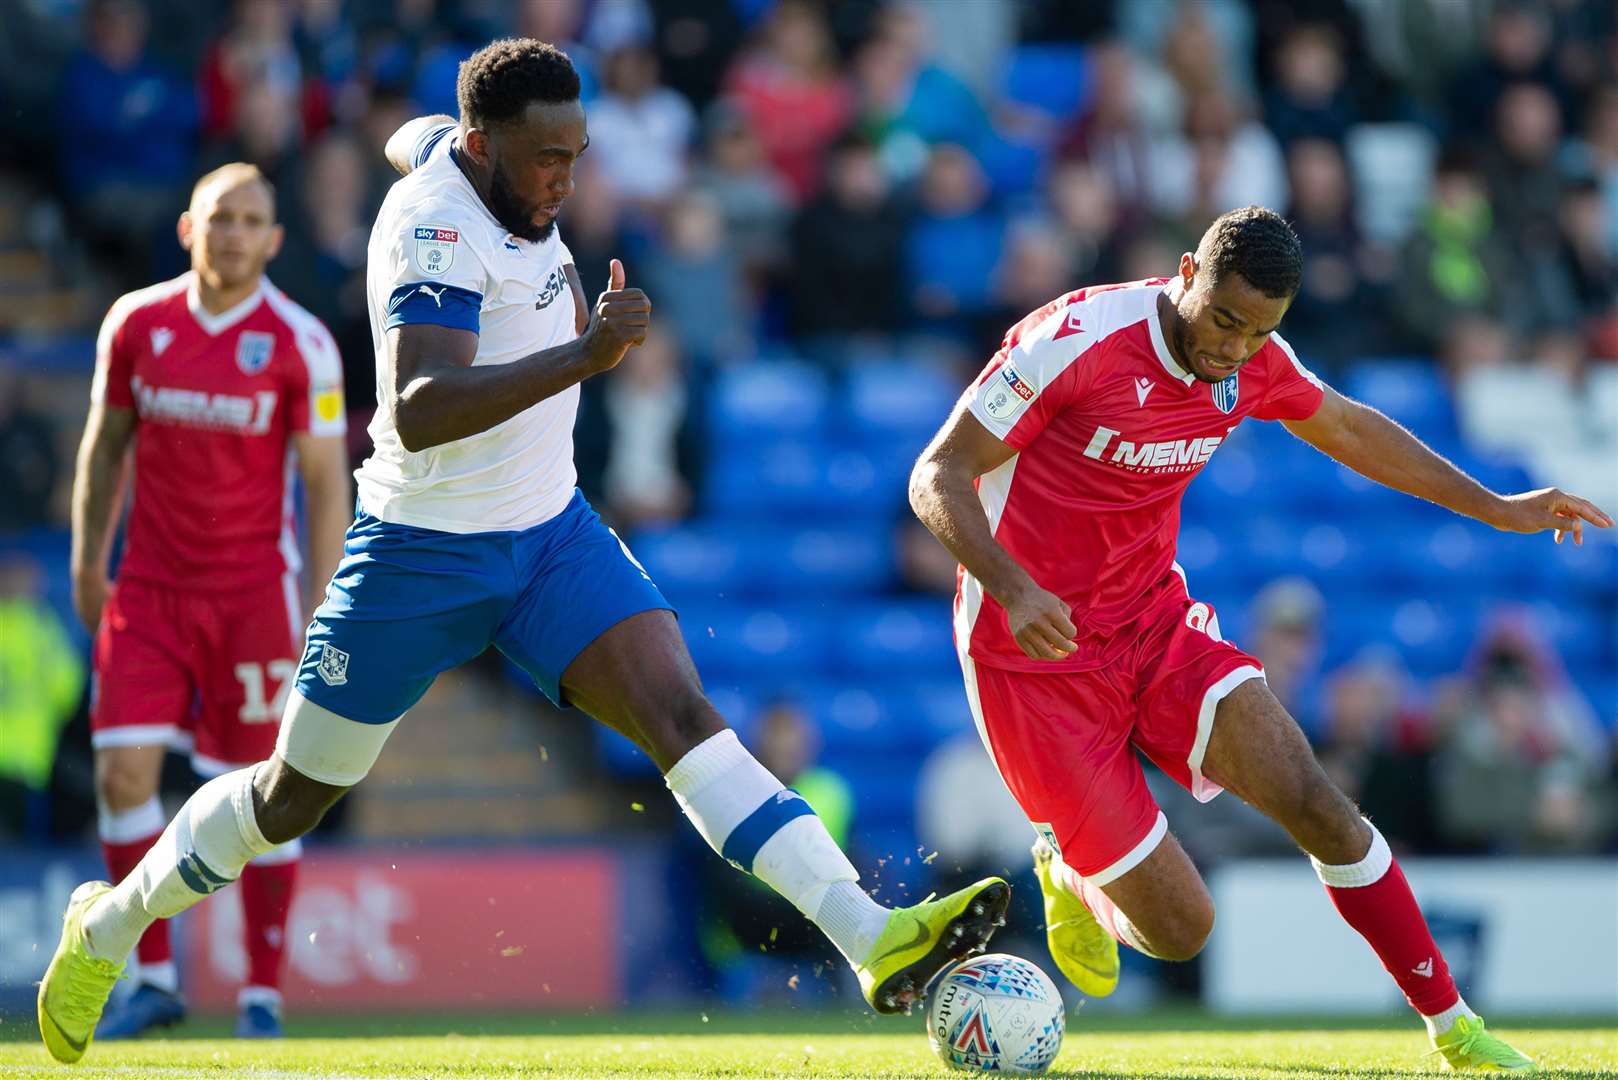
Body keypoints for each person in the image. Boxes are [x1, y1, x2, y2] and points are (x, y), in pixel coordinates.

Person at [38, 39, 1005, 1066]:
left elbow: (417, 138)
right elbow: (417, 409)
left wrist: (423, 144)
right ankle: (105, 928)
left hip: (550, 536)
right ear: (484, 145)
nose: (564, 178)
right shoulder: (434, 231)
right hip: (417, 552)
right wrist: (584, 356)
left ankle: (870, 935)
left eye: (576, 153)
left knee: (681, 714)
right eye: (545, 156)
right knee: (287, 799)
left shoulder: (461, 159)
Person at [908, 206, 1611, 1071]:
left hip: (1153, 625)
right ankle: (1069, 868)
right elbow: (936, 473)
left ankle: (1455, 1030)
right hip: (1033, 657)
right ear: (1184, 273)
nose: (1234, 349)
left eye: (1259, 331)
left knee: (1316, 801)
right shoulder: (1076, 339)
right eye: (1225, 320)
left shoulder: (1255, 362)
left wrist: (1498, 507)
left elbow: (1349, 428)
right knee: (1180, 931)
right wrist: (1013, 587)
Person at [63, 161, 350, 1042]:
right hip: (147, 590)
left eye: (250, 219)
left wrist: (320, 605)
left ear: (274, 238)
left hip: (252, 600)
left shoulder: (303, 343)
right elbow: (105, 446)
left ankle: (261, 997)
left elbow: (325, 483)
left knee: (261, 799)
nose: (232, 232)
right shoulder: (137, 324)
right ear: (189, 228)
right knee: (121, 775)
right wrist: (87, 558)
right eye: (218, 216)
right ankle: (148, 980)